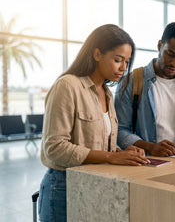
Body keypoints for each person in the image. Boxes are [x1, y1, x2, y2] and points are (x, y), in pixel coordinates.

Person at [38, 24, 150, 222]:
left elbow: (97, 144)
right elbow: (54, 148)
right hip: (63, 186)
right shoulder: (67, 86)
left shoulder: (106, 92)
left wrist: (121, 153)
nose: (123, 68)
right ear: (97, 54)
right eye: (118, 60)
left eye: (126, 62)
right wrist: (110, 157)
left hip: (94, 183)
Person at [114, 22, 175, 157]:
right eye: (170, 54)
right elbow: (120, 130)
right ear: (160, 45)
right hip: (147, 165)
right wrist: (151, 147)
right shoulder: (131, 82)